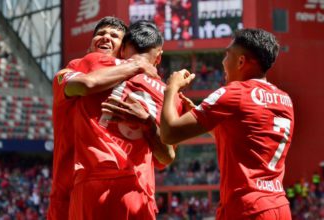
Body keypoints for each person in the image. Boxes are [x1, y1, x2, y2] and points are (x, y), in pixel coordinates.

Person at [160, 28, 295, 219]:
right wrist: (202, 117)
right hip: (279, 206)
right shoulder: (285, 99)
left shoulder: (234, 92)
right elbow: (243, 140)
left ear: (241, 61)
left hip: (246, 207)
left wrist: (171, 88)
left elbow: (168, 134)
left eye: (227, 55)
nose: (223, 63)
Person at [67, 20, 182, 219]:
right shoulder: (171, 96)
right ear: (159, 57)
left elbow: (82, 85)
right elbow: (166, 157)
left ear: (122, 49)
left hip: (92, 184)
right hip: (137, 190)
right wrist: (148, 123)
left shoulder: (94, 62)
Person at [48, 17, 158, 220]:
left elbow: (164, 156)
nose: (106, 37)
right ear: (89, 47)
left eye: (114, 36)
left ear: (123, 50)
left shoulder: (143, 87)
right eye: (100, 34)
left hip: (130, 191)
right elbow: (84, 85)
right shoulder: (70, 72)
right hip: (70, 193)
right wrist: (136, 65)